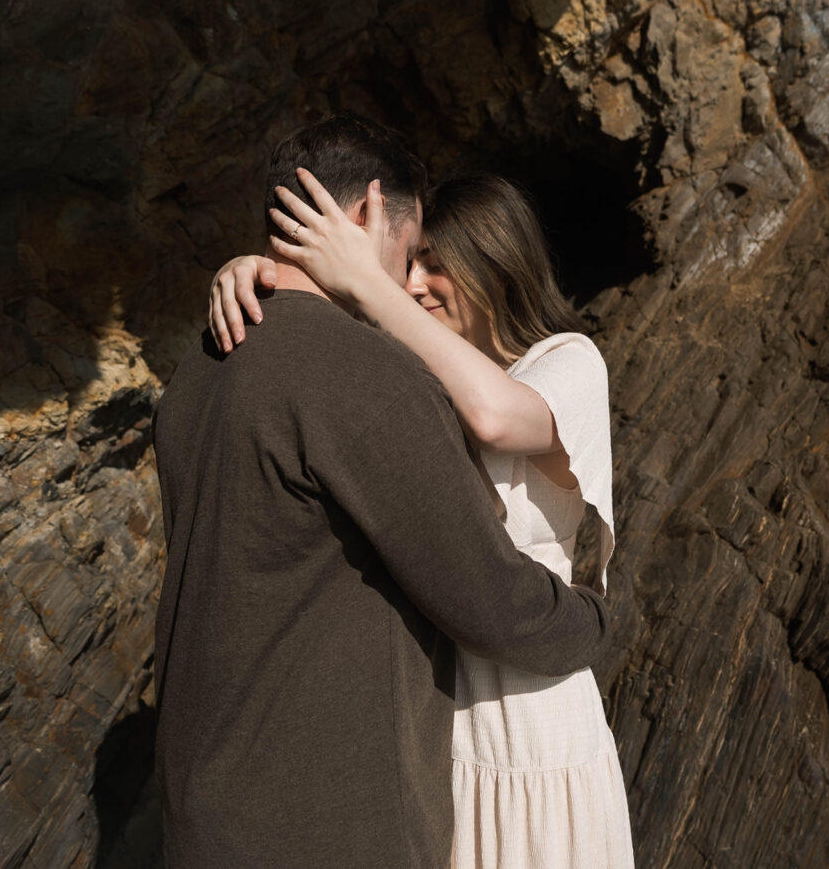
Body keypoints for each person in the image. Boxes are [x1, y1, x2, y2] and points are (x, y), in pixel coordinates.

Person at [152, 113, 612, 869]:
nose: (408, 282)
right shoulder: (369, 377)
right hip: (324, 823)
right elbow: (488, 594)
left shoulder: (198, 368)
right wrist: (599, 620)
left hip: (207, 807)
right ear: (369, 212)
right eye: (410, 253)